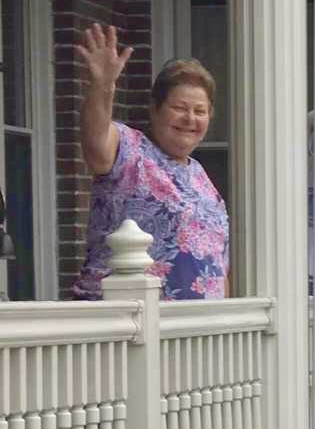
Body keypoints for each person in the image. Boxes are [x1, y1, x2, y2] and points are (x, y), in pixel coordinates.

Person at [72, 24, 228, 300]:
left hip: (198, 332)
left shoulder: (202, 179)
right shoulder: (131, 150)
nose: (190, 119)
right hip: (127, 326)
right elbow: (96, 146)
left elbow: (219, 265)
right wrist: (103, 86)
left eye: (199, 111)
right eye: (179, 108)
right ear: (154, 109)